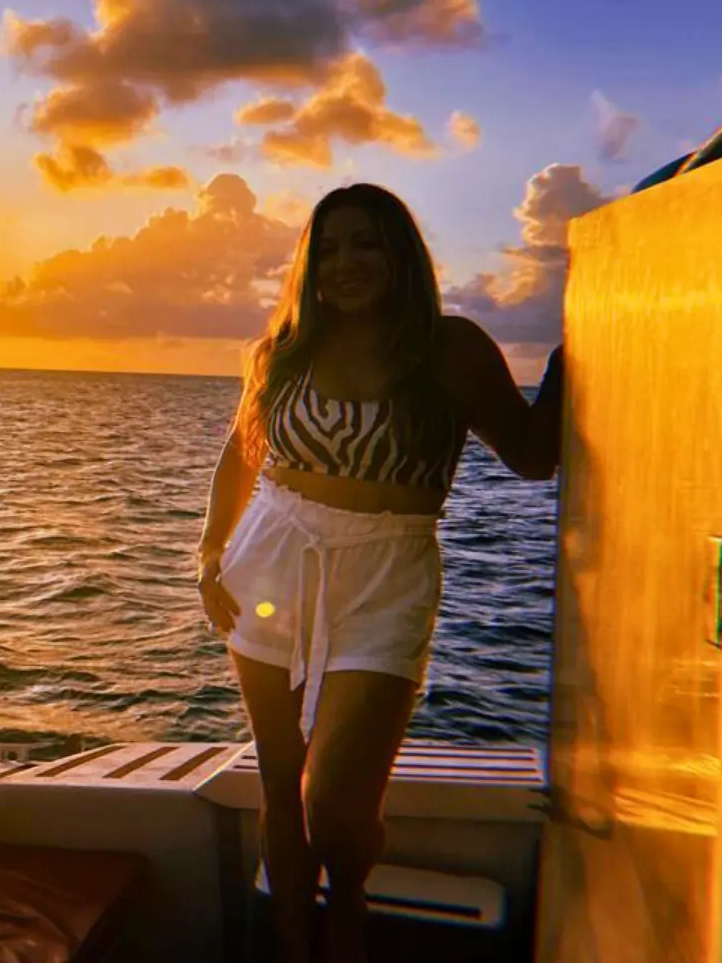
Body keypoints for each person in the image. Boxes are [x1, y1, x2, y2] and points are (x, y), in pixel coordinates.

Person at [196, 183, 564, 963]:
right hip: (271, 558)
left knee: (331, 804)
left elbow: (533, 457)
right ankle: (296, 942)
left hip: (388, 574)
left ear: (400, 253)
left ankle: (349, 905)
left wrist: (583, 346)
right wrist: (209, 552)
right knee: (278, 784)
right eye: (327, 249)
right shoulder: (284, 349)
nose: (344, 263)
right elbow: (243, 451)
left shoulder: (452, 349)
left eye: (364, 243)